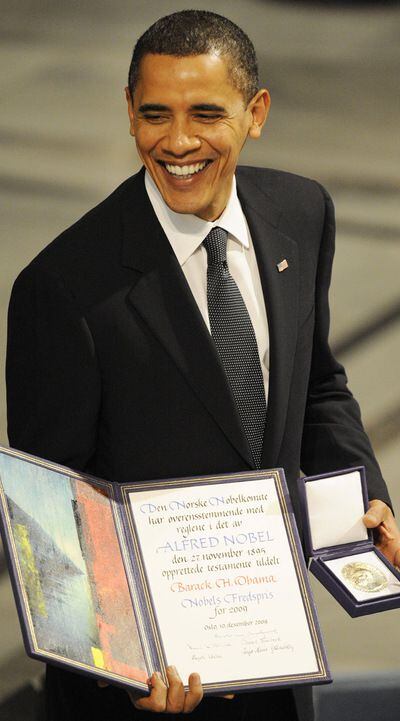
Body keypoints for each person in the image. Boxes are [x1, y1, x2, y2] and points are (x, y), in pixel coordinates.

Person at [6, 9, 400, 721]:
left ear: (257, 113)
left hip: (276, 672)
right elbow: (51, 521)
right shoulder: (62, 289)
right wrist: (121, 660)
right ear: (128, 113)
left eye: (205, 114)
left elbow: (318, 388)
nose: (178, 141)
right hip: (144, 695)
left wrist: (368, 503)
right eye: (155, 114)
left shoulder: (301, 213)